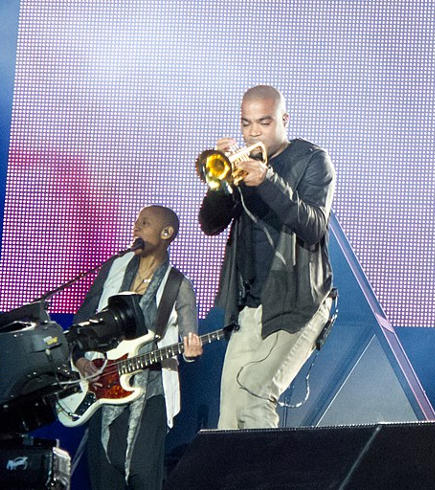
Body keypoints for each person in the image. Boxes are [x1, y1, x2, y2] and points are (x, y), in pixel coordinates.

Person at [199, 84, 335, 430]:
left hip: (297, 303)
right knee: (230, 415)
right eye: (246, 124)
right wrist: (221, 183)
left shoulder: (312, 160)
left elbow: (314, 227)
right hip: (252, 305)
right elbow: (210, 224)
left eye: (263, 122)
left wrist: (268, 179)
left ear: (284, 120)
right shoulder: (240, 166)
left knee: (255, 396)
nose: (253, 132)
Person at [73, 205, 201, 490]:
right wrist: (81, 362)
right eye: (136, 222)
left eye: (144, 223)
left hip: (151, 391)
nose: (136, 227)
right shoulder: (113, 268)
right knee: (105, 475)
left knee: (143, 475)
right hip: (102, 384)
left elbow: (190, 336)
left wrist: (191, 350)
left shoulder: (178, 285)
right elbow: (82, 321)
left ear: (166, 233)